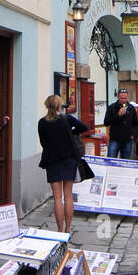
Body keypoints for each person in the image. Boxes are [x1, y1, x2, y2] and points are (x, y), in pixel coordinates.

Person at [37, 94, 88, 233]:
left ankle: (59, 230)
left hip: (52, 160)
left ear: (47, 106)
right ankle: (68, 229)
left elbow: (43, 142)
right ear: (59, 106)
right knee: (68, 195)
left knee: (57, 197)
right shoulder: (67, 119)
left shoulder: (42, 122)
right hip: (69, 160)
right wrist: (72, 132)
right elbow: (84, 127)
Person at [103, 88, 138, 159]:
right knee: (111, 160)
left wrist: (133, 135)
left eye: (125, 98)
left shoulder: (131, 108)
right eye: (121, 98)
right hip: (115, 139)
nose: (123, 100)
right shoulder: (112, 107)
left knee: (125, 162)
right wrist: (118, 115)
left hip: (127, 140)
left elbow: (136, 123)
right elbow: (106, 122)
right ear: (118, 97)